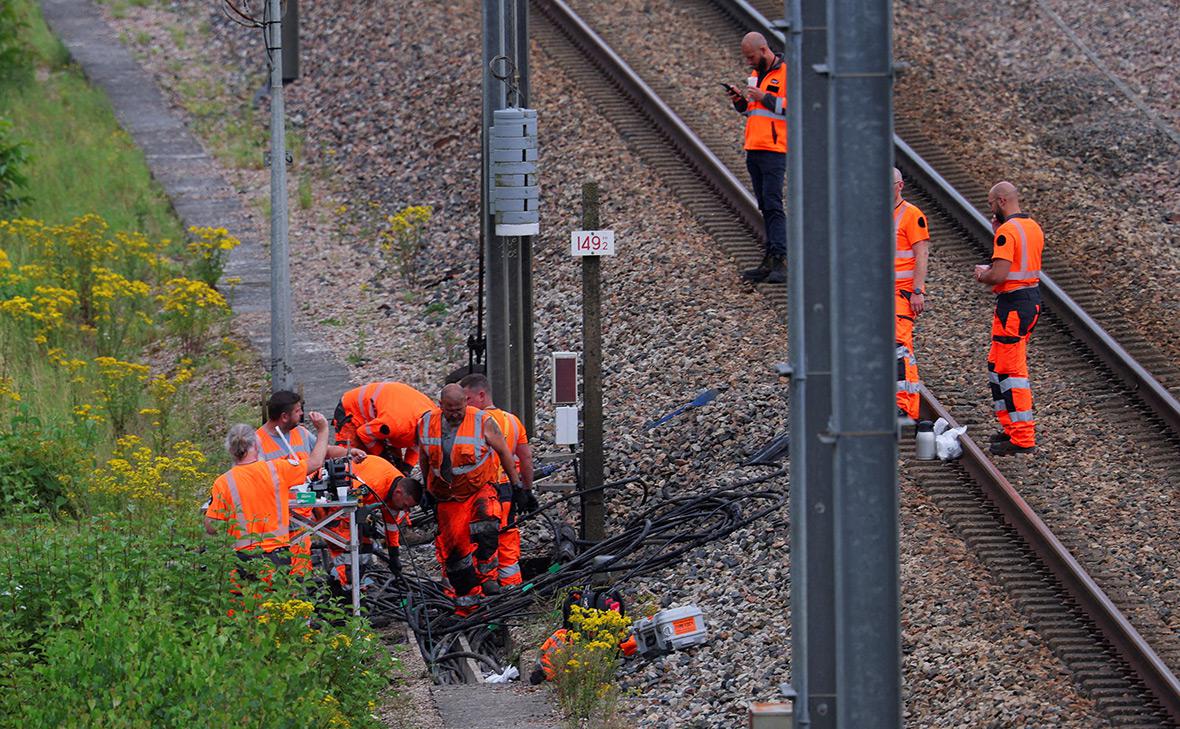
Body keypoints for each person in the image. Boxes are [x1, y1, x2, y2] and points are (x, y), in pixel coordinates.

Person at [417, 384, 528, 615]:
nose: (456, 414)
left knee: (487, 529)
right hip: (448, 497)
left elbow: (505, 453)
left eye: (459, 409)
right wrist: (427, 489)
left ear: (466, 403)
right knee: (456, 550)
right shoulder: (427, 423)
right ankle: (468, 599)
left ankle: (488, 579)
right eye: (450, 410)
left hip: (479, 489)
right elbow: (425, 457)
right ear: (441, 406)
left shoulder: (482, 421)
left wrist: (518, 486)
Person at [204, 413, 331, 573]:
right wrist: (323, 430)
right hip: (278, 556)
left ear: (230, 450)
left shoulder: (223, 482)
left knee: (248, 598)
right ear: (257, 445)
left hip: (243, 560)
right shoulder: (277, 469)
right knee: (280, 597)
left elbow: (212, 526)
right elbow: (315, 462)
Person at [973, 181, 1042, 455]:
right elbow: (1020, 264)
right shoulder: (1032, 227)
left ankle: (1023, 438)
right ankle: (1012, 429)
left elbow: (1000, 274)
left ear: (1001, 201)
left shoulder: (1007, 232)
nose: (990, 209)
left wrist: (982, 274)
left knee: (1011, 371)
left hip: (1013, 305)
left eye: (991, 204)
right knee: (998, 365)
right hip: (1027, 301)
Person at [459, 372, 536, 588]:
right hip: (508, 491)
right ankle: (511, 590)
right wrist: (526, 490)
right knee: (507, 538)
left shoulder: (472, 423)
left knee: (480, 542)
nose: (464, 405)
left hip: (482, 493)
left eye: (467, 399)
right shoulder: (512, 421)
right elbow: (526, 458)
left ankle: (484, 590)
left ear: (481, 395)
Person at [727, 31, 787, 284]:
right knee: (764, 205)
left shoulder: (787, 73)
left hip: (775, 150)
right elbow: (754, 112)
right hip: (754, 147)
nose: (749, 62)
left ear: (763, 50)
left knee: (773, 204)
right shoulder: (755, 76)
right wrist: (740, 101)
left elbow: (795, 107)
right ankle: (770, 259)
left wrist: (765, 97)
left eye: (751, 57)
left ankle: (780, 260)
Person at [320, 454, 423, 591]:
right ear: (398, 493)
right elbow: (347, 500)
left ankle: (354, 584)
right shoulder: (373, 485)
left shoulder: (397, 492)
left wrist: (394, 554)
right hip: (334, 499)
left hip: (353, 501)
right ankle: (343, 588)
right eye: (405, 505)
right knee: (345, 545)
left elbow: (392, 526)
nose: (405, 510)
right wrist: (360, 521)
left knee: (365, 547)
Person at [893, 167, 930, 420]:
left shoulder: (912, 214)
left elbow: (922, 255)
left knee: (899, 347)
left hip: (903, 294)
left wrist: (917, 291)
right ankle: (899, 404)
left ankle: (904, 406)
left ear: (900, 185)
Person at [332, 382, 434, 470]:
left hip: (384, 417)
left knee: (395, 464)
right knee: (352, 461)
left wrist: (406, 468)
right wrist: (382, 456)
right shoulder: (395, 425)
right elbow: (364, 433)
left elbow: (418, 445)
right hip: (351, 411)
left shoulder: (433, 419)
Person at [257, 390, 367, 465]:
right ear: (284, 417)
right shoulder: (256, 442)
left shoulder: (301, 432)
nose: (301, 413)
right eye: (297, 410)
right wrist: (322, 430)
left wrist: (349, 452)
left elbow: (325, 450)